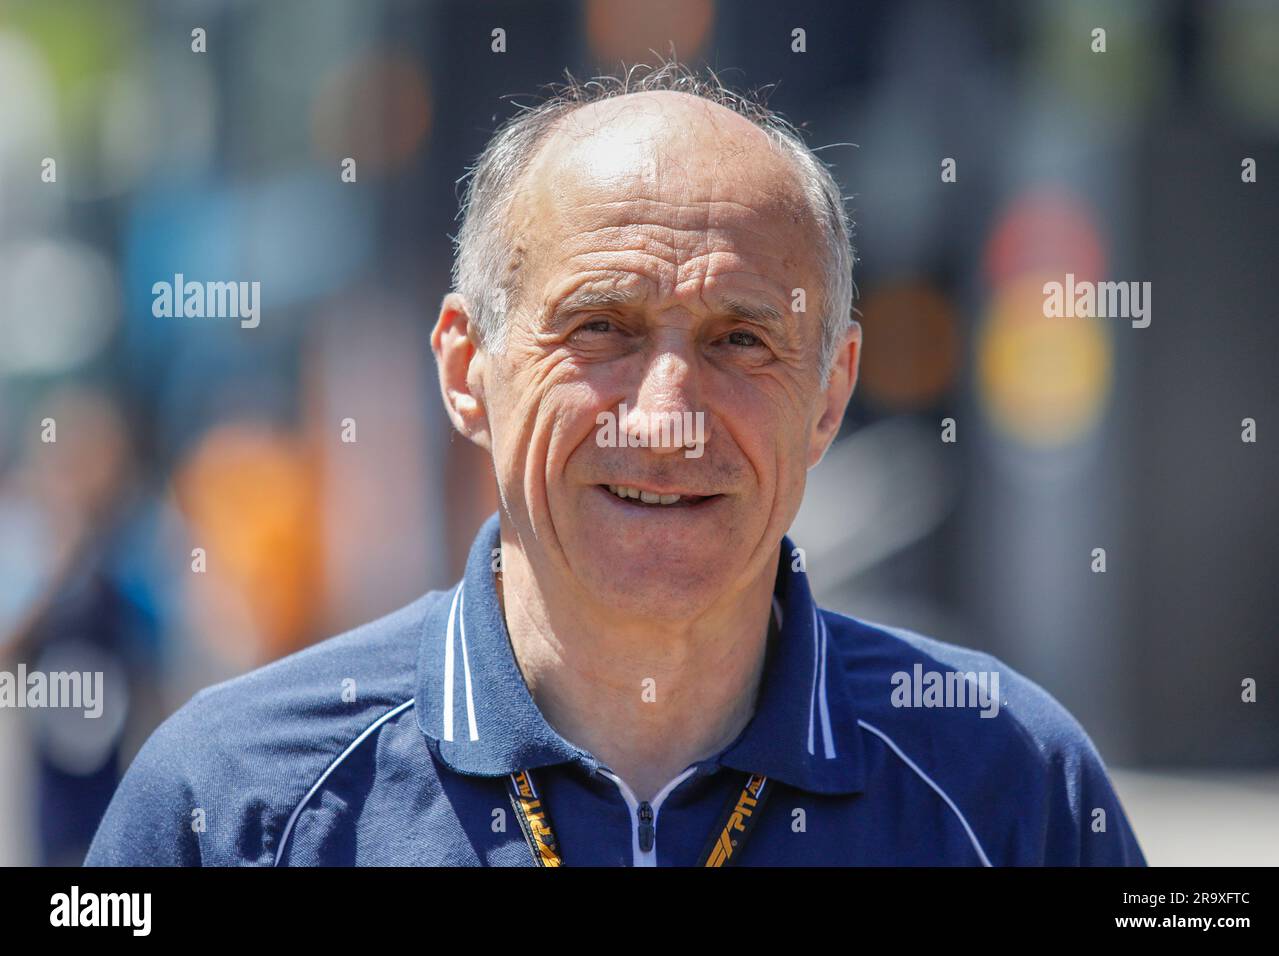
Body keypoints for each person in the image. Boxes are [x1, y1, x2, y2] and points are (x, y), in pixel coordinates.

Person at [86, 63, 1145, 866]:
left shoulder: (1006, 777)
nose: (667, 414)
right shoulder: (229, 800)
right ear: (467, 369)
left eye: (741, 339)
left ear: (828, 393)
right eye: (600, 327)